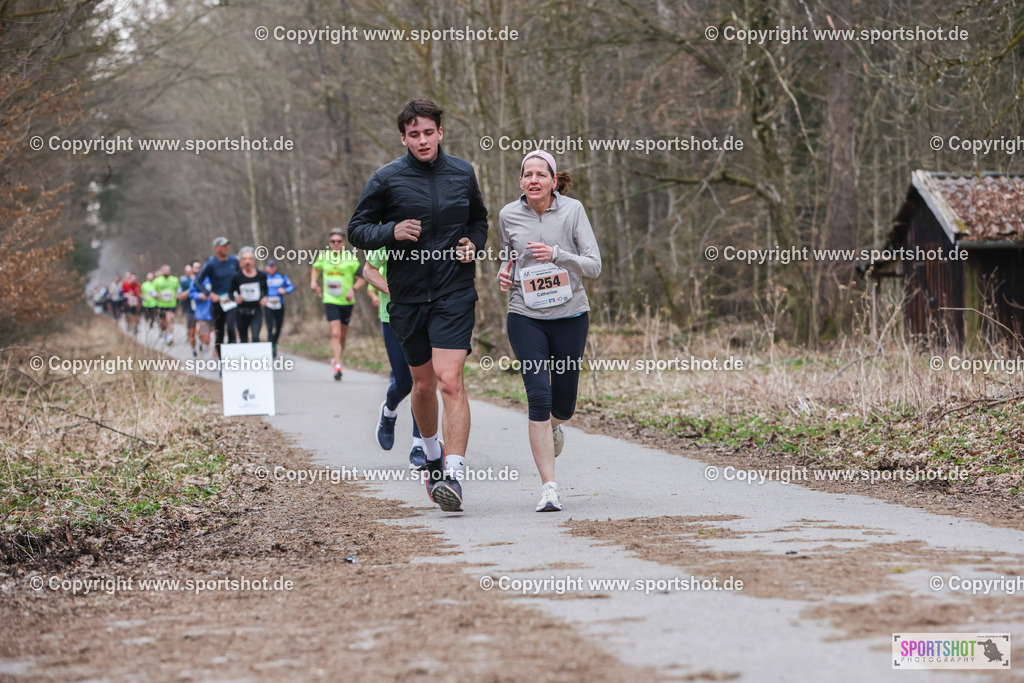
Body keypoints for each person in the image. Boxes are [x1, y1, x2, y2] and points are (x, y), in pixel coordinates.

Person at [348, 98, 488, 513]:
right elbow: (358, 230)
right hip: (407, 298)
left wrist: (473, 245)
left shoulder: (463, 172)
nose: (423, 140)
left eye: (429, 132)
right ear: (404, 137)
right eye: (414, 134)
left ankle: (455, 476)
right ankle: (430, 455)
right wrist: (392, 229)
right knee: (423, 385)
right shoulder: (386, 178)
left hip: (454, 292)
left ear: (440, 132)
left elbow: (479, 220)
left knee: (450, 381)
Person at [497, 150, 602, 512]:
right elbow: (507, 257)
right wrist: (504, 271)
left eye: (541, 174)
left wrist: (558, 254)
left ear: (554, 181)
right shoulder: (508, 215)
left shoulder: (573, 211)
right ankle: (549, 488)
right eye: (528, 174)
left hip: (571, 314)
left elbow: (594, 266)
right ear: (521, 181)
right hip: (524, 314)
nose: (534, 180)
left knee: (564, 406)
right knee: (538, 398)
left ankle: (551, 428)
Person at [364, 249, 426, 469]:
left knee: (424, 382)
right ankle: (388, 410)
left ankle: (419, 446)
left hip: (426, 316)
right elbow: (369, 271)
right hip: (393, 316)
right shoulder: (389, 235)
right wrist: (396, 292)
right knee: (404, 383)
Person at [311, 229, 364, 380]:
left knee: (342, 335)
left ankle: (336, 358)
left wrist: (353, 289)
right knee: (335, 333)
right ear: (329, 244)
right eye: (332, 241)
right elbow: (315, 268)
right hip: (330, 300)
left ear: (343, 243)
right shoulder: (324, 257)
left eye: (338, 241)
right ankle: (338, 365)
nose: (335, 244)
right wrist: (314, 283)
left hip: (346, 302)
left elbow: (362, 278)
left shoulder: (350, 259)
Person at [191, 237, 240, 360]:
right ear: (217, 248)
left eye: (227, 245)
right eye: (223, 246)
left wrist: (239, 293)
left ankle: (232, 357)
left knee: (231, 327)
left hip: (232, 300)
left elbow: (240, 278)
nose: (226, 248)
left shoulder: (234, 261)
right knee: (219, 333)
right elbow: (197, 282)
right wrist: (209, 294)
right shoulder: (211, 264)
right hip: (218, 302)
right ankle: (221, 360)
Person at [230, 247, 268, 343]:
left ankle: (257, 358)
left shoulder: (262, 276)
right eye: (244, 259)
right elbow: (230, 293)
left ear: (254, 260)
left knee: (255, 337)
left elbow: (266, 290)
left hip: (256, 311)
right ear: (241, 261)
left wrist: (265, 298)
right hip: (241, 312)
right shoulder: (236, 277)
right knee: (243, 339)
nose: (247, 261)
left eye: (250, 258)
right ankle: (246, 358)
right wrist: (235, 298)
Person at [263, 259, 294, 356]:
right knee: (270, 326)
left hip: (279, 304)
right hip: (268, 305)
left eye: (273, 266)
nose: (271, 268)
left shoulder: (281, 276)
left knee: (279, 326)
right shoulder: (264, 277)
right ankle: (270, 346)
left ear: (275, 267)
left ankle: (274, 343)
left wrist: (285, 290)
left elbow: (291, 286)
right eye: (269, 266)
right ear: (266, 268)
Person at [152, 264, 180, 345]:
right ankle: (164, 333)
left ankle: (170, 337)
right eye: (164, 270)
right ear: (161, 271)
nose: (166, 271)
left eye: (167, 269)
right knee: (162, 322)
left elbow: (178, 289)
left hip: (171, 304)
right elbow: (153, 291)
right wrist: (156, 295)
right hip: (161, 304)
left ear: (169, 271)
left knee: (169, 319)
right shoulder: (157, 280)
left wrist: (178, 294)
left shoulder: (174, 279)